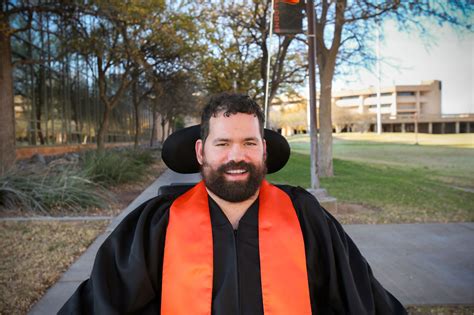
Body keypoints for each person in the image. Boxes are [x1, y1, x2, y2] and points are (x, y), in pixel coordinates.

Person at [60, 92, 407, 314]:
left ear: (265, 150)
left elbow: (361, 299)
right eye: (223, 143)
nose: (237, 156)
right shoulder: (157, 224)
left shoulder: (305, 217)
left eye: (250, 143)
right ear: (200, 152)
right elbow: (101, 304)